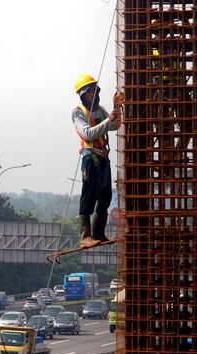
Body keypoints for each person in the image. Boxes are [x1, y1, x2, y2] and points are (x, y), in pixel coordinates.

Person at [72, 74, 123, 248]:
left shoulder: (100, 110)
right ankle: (85, 236)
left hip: (103, 157)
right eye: (89, 92)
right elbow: (87, 133)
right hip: (90, 157)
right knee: (89, 195)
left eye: (94, 91)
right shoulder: (78, 112)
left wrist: (117, 107)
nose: (93, 94)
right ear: (83, 94)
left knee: (105, 195)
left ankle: (98, 233)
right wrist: (108, 121)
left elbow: (115, 126)